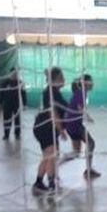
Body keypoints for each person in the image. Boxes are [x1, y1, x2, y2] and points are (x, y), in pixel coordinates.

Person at [32, 67, 68, 195]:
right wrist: (61, 130)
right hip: (45, 127)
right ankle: (46, 182)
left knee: (51, 155)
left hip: (46, 127)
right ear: (55, 80)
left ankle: (44, 182)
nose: (64, 80)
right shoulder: (51, 92)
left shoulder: (54, 92)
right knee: (51, 155)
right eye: (61, 78)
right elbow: (53, 113)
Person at [64, 74, 101, 179]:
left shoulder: (80, 93)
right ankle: (88, 170)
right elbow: (80, 108)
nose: (92, 83)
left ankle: (58, 165)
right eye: (90, 81)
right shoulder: (81, 93)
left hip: (72, 124)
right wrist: (87, 117)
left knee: (76, 152)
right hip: (74, 124)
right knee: (91, 143)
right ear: (85, 83)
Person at [0, 69, 27, 141]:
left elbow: (23, 94)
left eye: (16, 73)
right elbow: (1, 93)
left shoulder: (20, 82)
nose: (15, 75)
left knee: (17, 120)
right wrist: (0, 102)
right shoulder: (5, 82)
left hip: (16, 104)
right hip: (7, 105)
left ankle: (17, 134)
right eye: (13, 73)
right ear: (10, 73)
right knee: (7, 120)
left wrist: (24, 104)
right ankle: (6, 135)